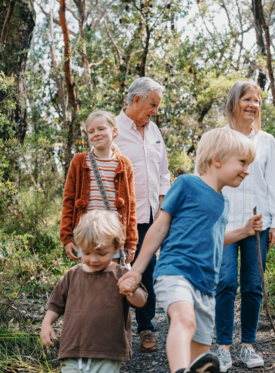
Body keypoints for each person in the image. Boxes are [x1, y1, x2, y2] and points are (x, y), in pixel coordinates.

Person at [118, 128, 263, 373]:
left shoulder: (222, 201)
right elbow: (159, 228)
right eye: (242, 162)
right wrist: (137, 272)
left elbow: (215, 238)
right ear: (217, 159)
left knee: (202, 353)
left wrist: (244, 231)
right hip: (176, 272)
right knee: (184, 319)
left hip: (206, 286)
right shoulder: (186, 184)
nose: (246, 170)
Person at [214, 81, 275, 371]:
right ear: (234, 102)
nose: (252, 105)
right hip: (225, 223)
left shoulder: (266, 141)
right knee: (225, 282)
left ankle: (247, 346)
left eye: (257, 101)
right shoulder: (217, 138)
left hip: (259, 223)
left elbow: (274, 183)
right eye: (247, 99)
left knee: (253, 285)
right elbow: (204, 179)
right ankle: (222, 348)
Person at [41, 210, 148, 373]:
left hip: (108, 352)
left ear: (116, 247)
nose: (93, 259)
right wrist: (47, 323)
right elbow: (56, 303)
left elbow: (141, 302)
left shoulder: (122, 275)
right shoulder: (72, 275)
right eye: (87, 253)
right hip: (73, 350)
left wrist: (131, 292)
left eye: (101, 253)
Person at [115, 77, 169, 352]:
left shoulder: (155, 131)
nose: (155, 110)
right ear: (136, 100)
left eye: (157, 105)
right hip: (117, 217)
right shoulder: (112, 129)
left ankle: (146, 329)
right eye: (152, 104)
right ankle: (113, 331)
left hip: (149, 215)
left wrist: (162, 208)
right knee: (115, 269)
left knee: (146, 268)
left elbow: (163, 173)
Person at [60, 110, 138, 266]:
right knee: (89, 281)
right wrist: (66, 237)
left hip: (113, 234)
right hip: (87, 233)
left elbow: (131, 206)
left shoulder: (124, 164)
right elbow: (68, 200)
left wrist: (131, 242)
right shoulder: (79, 161)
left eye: (101, 129)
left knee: (111, 281)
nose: (96, 134)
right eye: (91, 131)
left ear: (114, 131)